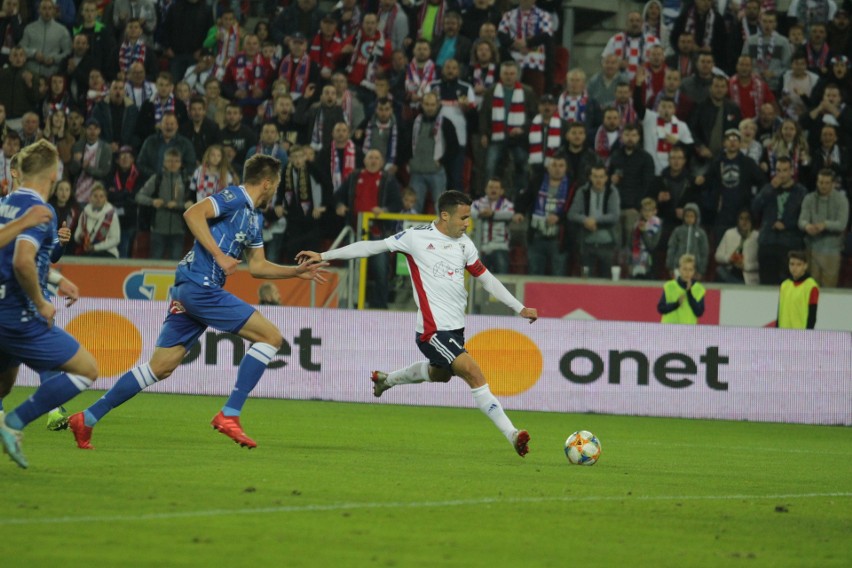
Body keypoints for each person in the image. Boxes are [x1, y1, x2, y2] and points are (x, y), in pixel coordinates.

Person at [69, 154, 327, 451]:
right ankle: (230, 414)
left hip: (191, 290)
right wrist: (219, 255)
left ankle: (87, 418)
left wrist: (295, 272)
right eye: (278, 184)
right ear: (267, 183)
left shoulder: (254, 219)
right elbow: (192, 213)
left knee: (160, 367)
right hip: (200, 286)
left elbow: (257, 266)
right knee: (270, 337)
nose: (277, 190)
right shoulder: (234, 197)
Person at [297, 190, 537, 457]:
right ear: (445, 216)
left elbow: (486, 278)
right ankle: (512, 434)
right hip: (432, 332)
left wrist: (520, 307)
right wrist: (324, 254)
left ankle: (387, 380)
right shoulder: (415, 237)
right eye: (464, 217)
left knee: (441, 375)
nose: (468, 223)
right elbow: (370, 247)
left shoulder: (465, 244)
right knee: (473, 372)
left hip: (455, 329)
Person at [0, 140, 98, 468]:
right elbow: (22, 262)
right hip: (18, 315)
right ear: (54, 173)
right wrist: (41, 301)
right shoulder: (41, 210)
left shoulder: (6, 203)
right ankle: (14, 423)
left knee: (4, 384)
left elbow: (31, 258)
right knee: (86, 370)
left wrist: (56, 280)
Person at [798, 168, 849, 287]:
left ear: (833, 183)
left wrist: (825, 225)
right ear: (817, 182)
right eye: (821, 182)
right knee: (811, 289)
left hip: (832, 252)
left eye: (827, 183)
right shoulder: (809, 198)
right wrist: (807, 226)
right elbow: (801, 221)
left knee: (829, 290)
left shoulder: (842, 200)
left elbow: (842, 224)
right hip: (811, 249)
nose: (823, 186)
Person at [568, 163, 621, 278]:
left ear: (606, 178)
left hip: (607, 244)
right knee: (586, 281)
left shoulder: (612, 192)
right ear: (590, 177)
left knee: (607, 282)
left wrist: (594, 220)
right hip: (586, 243)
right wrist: (585, 221)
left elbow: (614, 215)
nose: (598, 180)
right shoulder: (582, 191)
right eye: (595, 176)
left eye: (601, 177)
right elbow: (572, 214)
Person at [471, 177, 514, 275]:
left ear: (501, 191)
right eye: (490, 187)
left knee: (501, 278)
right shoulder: (478, 203)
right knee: (480, 279)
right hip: (480, 248)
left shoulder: (506, 204)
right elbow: (469, 212)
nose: (493, 190)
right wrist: (479, 214)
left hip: (500, 247)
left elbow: (510, 214)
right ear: (486, 189)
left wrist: (493, 214)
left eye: (496, 188)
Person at [657, 253, 706, 324]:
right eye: (684, 269)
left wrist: (689, 293)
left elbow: (699, 312)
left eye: (690, 269)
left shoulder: (699, 289)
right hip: (669, 330)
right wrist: (676, 304)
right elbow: (661, 308)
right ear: (679, 270)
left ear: (694, 271)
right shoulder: (670, 286)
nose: (687, 273)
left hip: (688, 331)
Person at [776, 250, 819, 329]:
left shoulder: (811, 286)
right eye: (792, 264)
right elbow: (780, 312)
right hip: (783, 332)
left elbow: (812, 315)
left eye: (798, 265)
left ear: (805, 266)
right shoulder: (785, 285)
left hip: (800, 333)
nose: (794, 268)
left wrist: (808, 334)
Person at [715, 209, 760, 284]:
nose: (744, 222)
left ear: (751, 221)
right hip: (730, 274)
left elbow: (760, 264)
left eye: (747, 219)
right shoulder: (729, 233)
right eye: (741, 218)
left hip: (748, 277)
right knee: (719, 270)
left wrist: (745, 266)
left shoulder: (757, 236)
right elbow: (717, 256)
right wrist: (729, 259)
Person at [666, 203, 709, 278]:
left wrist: (701, 270)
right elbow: (672, 248)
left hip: (694, 268)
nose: (689, 219)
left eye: (692, 216)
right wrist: (671, 267)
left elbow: (704, 252)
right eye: (687, 216)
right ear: (683, 217)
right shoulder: (678, 231)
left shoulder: (701, 233)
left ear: (696, 217)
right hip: (678, 267)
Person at [629, 197, 662, 278]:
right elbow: (631, 243)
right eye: (645, 210)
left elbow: (651, 246)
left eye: (650, 210)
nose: (647, 213)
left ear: (655, 211)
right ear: (641, 211)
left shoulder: (657, 224)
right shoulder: (637, 224)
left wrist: (644, 232)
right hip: (636, 259)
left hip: (650, 261)